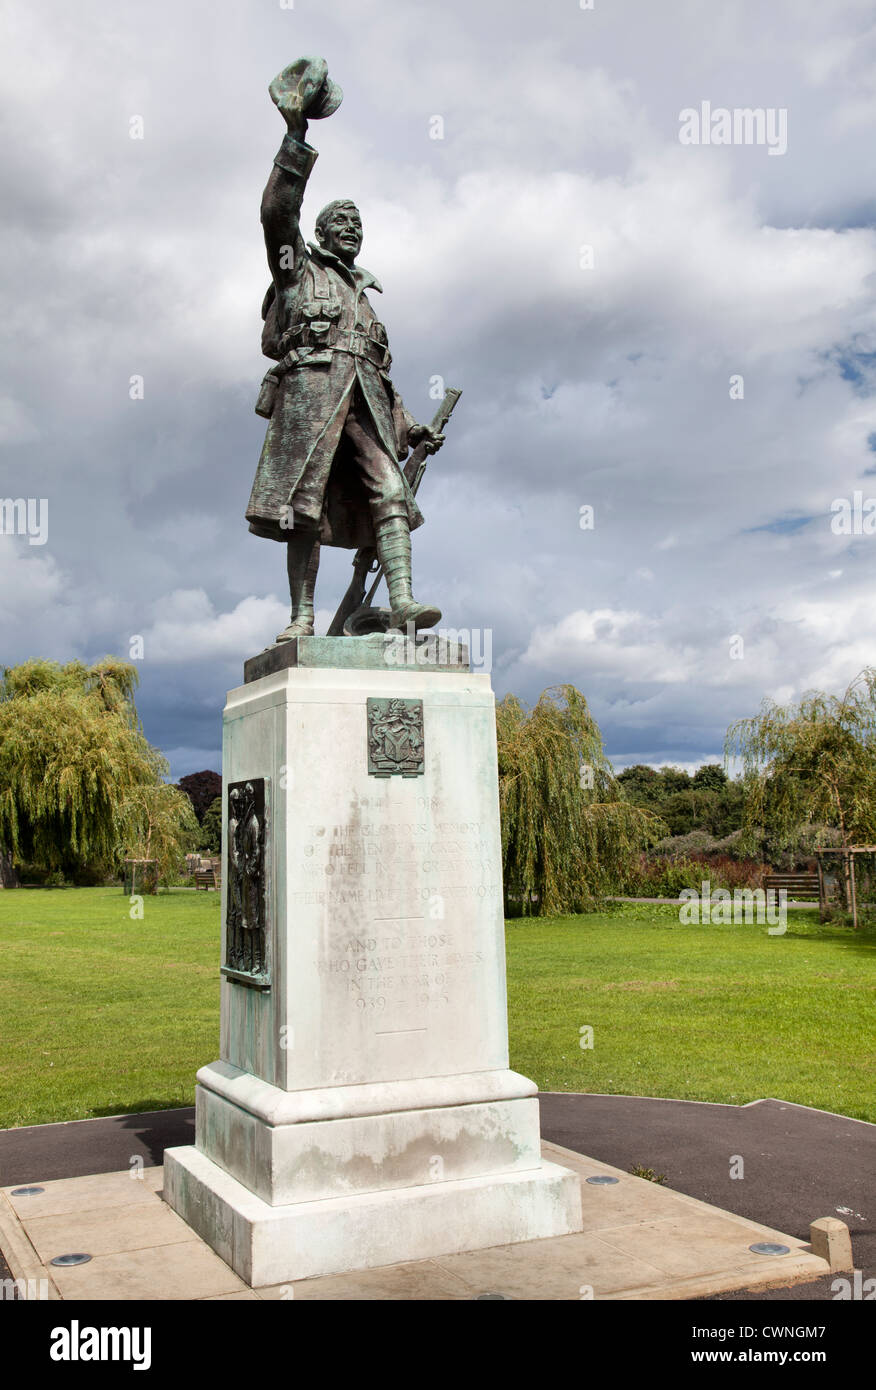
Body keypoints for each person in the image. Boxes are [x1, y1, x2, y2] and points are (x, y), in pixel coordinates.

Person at [246, 58, 444, 642]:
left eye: (359, 222)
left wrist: (408, 426)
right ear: (322, 233)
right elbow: (276, 212)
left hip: (367, 411)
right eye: (342, 221)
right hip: (311, 405)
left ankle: (404, 602)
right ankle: (302, 618)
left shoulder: (367, 299)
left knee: (391, 491)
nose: (353, 228)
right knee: (302, 509)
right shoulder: (297, 271)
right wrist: (296, 136)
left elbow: (379, 373)